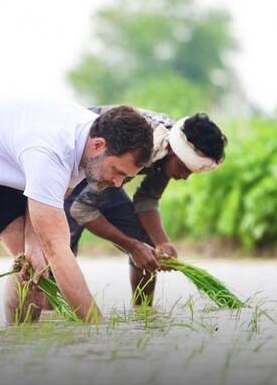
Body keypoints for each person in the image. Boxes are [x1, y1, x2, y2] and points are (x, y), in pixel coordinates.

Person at [0, 96, 154, 327]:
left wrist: (33, 248)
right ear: (98, 145)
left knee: (34, 263)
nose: (118, 184)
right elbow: (58, 249)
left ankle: (22, 343)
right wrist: (98, 326)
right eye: (118, 172)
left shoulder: (89, 145)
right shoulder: (52, 149)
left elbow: (46, 203)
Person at [66, 107, 227, 305]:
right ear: (174, 152)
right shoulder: (143, 147)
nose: (184, 177)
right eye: (184, 169)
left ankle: (143, 314)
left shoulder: (169, 148)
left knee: (145, 243)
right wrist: (132, 247)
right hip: (80, 164)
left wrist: (161, 243)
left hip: (110, 176)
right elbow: (82, 209)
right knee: (60, 250)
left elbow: (146, 199)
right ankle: (49, 316)